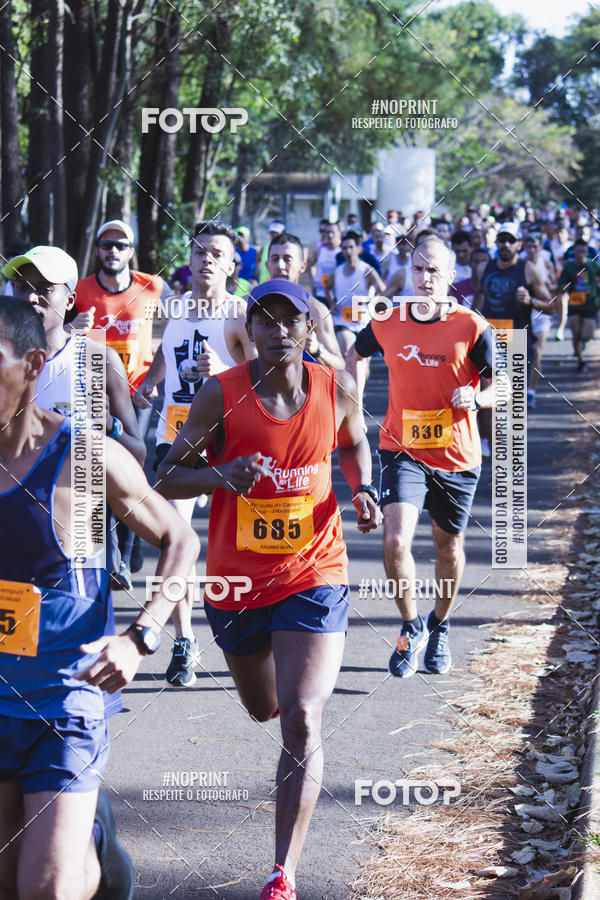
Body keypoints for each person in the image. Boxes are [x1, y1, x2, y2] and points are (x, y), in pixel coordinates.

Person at [156, 278, 381, 899]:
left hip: (315, 571)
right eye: (265, 320)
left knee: (304, 720)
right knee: (267, 708)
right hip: (236, 584)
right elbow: (165, 476)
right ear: (247, 332)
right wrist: (221, 475)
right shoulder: (219, 395)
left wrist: (364, 489)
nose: (279, 330)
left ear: (309, 329)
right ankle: (284, 691)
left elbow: (358, 444)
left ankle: (283, 872)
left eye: (291, 320)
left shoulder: (335, 389)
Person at [0, 298, 199, 900]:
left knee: (45, 891)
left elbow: (179, 538)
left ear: (33, 364)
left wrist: (141, 637)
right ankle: (97, 844)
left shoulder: (82, 459)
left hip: (66, 698)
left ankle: (89, 851)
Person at [347, 238, 499, 677]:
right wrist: (355, 402)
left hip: (456, 456)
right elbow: (356, 354)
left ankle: (441, 624)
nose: (425, 278)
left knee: (447, 548)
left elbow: (504, 384)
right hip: (402, 448)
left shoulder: (471, 325)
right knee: (395, 540)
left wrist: (477, 397)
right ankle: (411, 625)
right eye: (418, 269)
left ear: (452, 276)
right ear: (409, 273)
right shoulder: (388, 320)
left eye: (435, 270)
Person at [134, 220, 256, 687]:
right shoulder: (176, 306)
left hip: (228, 440)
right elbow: (166, 351)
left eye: (215, 253)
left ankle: (257, 629)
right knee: (174, 536)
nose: (206, 259)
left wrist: (222, 368)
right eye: (199, 251)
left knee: (240, 544)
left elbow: (261, 375)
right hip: (177, 435)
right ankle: (184, 640)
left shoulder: (238, 313)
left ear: (231, 264)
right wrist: (151, 382)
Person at [70, 219, 170, 583]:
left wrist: (157, 378)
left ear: (131, 251)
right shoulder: (79, 292)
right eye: (106, 244)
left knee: (132, 469)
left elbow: (175, 327)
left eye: (120, 245)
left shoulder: (152, 286)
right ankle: (113, 558)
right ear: (97, 250)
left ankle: (126, 552)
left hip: (138, 394)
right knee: (98, 472)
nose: (112, 251)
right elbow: (52, 332)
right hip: (93, 395)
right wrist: (71, 327)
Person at [474, 221, 553, 453]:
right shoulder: (485, 268)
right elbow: (478, 301)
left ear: (519, 244)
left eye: (511, 240)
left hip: (517, 339)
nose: (505, 245)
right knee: (487, 392)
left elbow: (550, 305)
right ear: (496, 243)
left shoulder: (527, 269)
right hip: (488, 340)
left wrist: (532, 302)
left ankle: (511, 442)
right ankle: (488, 441)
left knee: (515, 396)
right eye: (502, 240)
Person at [265, 232, 345, 369]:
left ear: (302, 266)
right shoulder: (251, 306)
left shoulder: (316, 311)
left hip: (303, 388)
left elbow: (340, 365)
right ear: (267, 265)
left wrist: (317, 350)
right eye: (275, 259)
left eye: (287, 259)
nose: (280, 265)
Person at [559, 238, 600, 373]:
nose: (581, 254)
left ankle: (582, 344)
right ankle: (581, 362)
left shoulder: (593, 265)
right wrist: (564, 288)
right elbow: (562, 285)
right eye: (578, 251)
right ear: (574, 252)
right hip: (575, 305)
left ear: (587, 251)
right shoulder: (569, 267)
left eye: (583, 251)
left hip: (590, 305)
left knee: (586, 335)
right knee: (576, 335)